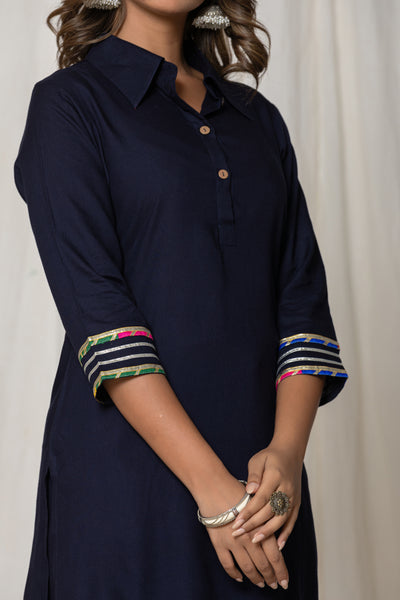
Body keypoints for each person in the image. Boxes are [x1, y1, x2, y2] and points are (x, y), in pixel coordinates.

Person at [13, 1, 349, 598]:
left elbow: (302, 300)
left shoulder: (256, 119)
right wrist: (210, 488)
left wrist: (286, 457)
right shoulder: (69, 104)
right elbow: (98, 311)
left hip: (263, 493)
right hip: (127, 480)